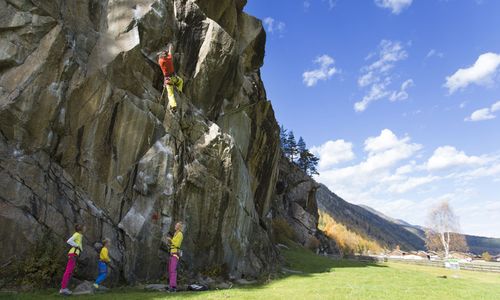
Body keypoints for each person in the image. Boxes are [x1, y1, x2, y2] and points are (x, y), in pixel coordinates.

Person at [60, 224, 85, 295]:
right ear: (80, 229)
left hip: (74, 255)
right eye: (84, 227)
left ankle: (64, 288)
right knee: (68, 272)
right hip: (72, 255)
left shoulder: (79, 236)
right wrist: (76, 246)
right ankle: (63, 289)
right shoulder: (77, 234)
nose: (85, 229)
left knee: (69, 272)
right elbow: (69, 241)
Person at [158, 43, 183, 112]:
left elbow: (160, 58)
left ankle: (173, 106)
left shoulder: (161, 61)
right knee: (180, 81)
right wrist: (170, 47)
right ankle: (179, 90)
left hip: (168, 80)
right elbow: (170, 53)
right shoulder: (169, 59)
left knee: (170, 94)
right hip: (174, 78)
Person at [166, 222, 184, 292]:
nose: (175, 226)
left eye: (176, 225)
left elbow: (177, 244)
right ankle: (171, 286)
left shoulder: (180, 234)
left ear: (179, 227)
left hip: (175, 253)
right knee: (170, 270)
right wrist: (169, 242)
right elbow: (173, 243)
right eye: (175, 225)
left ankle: (173, 287)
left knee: (173, 270)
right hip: (171, 253)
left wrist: (170, 240)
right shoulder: (175, 234)